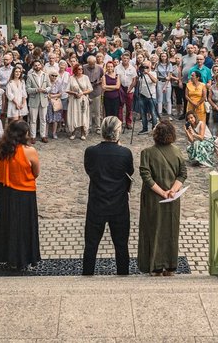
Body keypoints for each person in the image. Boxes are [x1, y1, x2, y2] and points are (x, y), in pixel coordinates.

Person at [82, 116, 134, 275]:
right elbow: (129, 172)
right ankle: (123, 274)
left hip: (97, 202)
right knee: (121, 244)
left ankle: (88, 273)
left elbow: (89, 170)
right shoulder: (125, 153)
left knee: (91, 244)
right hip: (118, 204)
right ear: (118, 133)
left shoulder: (91, 152)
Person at [0, 120, 41, 271]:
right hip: (24, 192)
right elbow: (36, 172)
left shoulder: (1, 149)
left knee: (3, 224)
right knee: (23, 226)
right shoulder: (29, 151)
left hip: (5, 191)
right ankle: (22, 258)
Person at [137, 120, 187, 275]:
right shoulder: (177, 151)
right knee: (171, 230)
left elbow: (146, 177)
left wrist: (162, 192)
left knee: (152, 230)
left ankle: (156, 266)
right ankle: (170, 265)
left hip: (154, 199)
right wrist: (172, 190)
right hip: (173, 198)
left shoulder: (147, 153)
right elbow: (183, 173)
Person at [67, 63, 93, 140]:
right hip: (74, 100)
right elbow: (67, 90)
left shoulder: (86, 77)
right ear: (75, 70)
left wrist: (82, 93)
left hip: (83, 100)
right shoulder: (71, 78)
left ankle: (83, 133)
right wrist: (74, 93)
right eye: (79, 69)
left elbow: (90, 89)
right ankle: (73, 132)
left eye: (82, 69)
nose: (81, 70)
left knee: (83, 116)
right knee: (74, 116)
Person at [26, 61, 50, 142]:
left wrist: (45, 90)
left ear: (41, 65)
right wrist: (36, 90)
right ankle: (33, 136)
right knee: (33, 120)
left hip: (44, 99)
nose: (37, 66)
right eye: (35, 65)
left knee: (43, 119)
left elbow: (50, 86)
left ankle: (43, 136)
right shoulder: (30, 76)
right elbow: (28, 89)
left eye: (38, 65)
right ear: (33, 67)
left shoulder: (45, 75)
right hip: (33, 100)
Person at [136, 59, 158, 135]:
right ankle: (144, 128)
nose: (145, 68)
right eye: (144, 66)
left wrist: (148, 73)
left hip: (151, 95)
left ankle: (154, 129)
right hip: (142, 95)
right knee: (143, 113)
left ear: (150, 66)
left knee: (153, 113)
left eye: (147, 66)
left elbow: (155, 81)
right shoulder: (141, 74)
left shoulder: (153, 73)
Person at [83, 55, 104, 135]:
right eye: (90, 64)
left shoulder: (99, 68)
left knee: (97, 111)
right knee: (88, 111)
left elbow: (102, 76)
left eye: (93, 64)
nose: (91, 65)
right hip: (87, 91)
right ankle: (89, 126)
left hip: (96, 91)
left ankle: (98, 127)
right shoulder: (84, 67)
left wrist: (98, 82)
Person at [115, 55, 137, 129]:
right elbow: (115, 78)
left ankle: (128, 122)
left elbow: (134, 80)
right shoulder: (117, 68)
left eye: (127, 58)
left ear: (129, 59)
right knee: (120, 106)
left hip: (129, 89)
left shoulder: (132, 68)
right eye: (124, 58)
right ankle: (120, 122)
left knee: (129, 107)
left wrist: (130, 88)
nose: (125, 59)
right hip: (120, 88)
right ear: (121, 58)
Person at [46, 68, 66, 139]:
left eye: (55, 76)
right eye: (52, 75)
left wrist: (53, 96)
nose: (54, 77)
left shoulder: (59, 83)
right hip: (47, 101)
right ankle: (46, 133)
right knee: (47, 117)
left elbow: (61, 93)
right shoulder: (46, 82)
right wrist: (49, 96)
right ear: (49, 75)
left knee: (55, 118)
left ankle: (54, 133)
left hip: (56, 100)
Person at [155, 51, 174, 117]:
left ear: (167, 57)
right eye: (162, 56)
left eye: (165, 56)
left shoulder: (169, 65)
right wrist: (164, 77)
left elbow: (169, 76)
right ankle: (159, 113)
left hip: (167, 83)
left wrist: (165, 86)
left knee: (168, 99)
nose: (163, 57)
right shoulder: (158, 64)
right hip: (160, 82)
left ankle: (169, 114)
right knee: (160, 99)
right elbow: (157, 75)